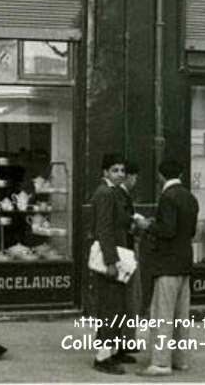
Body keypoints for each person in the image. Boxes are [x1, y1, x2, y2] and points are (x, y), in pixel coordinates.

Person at [139, 158, 199, 377]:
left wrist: (148, 225)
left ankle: (161, 363)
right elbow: (190, 231)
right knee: (181, 316)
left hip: (166, 264)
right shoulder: (190, 198)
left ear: (160, 176)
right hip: (184, 262)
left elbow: (167, 230)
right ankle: (180, 360)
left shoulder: (167, 197)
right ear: (181, 174)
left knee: (162, 314)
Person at [89, 153, 135, 374]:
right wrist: (110, 261)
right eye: (115, 170)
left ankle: (113, 351)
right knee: (110, 307)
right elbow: (104, 229)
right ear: (105, 172)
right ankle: (102, 357)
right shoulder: (106, 193)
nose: (120, 174)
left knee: (116, 305)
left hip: (118, 255)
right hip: (113, 257)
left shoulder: (113, 192)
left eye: (122, 171)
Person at [119, 160, 143, 350]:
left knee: (130, 297)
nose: (135, 180)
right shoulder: (121, 196)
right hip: (126, 251)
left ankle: (127, 339)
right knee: (130, 297)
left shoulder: (121, 195)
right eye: (134, 176)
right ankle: (126, 340)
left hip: (125, 250)